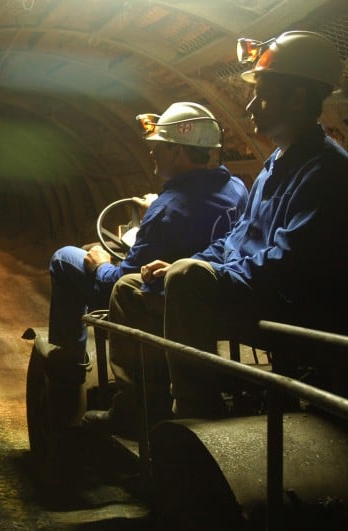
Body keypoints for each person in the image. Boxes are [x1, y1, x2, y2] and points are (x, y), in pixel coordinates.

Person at [93, 30, 348, 426]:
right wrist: (189, 262)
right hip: (253, 291)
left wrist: (206, 274)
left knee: (188, 277)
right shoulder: (274, 164)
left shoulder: (328, 171)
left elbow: (289, 263)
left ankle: (197, 412)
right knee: (132, 287)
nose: (249, 105)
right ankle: (140, 406)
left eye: (262, 94)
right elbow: (237, 237)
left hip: (291, 308)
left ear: (297, 97)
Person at [47, 102, 249, 384]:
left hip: (163, 301)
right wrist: (155, 211)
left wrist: (102, 266)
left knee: (66, 257)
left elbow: (120, 281)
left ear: (178, 151)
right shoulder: (237, 189)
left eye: (159, 146)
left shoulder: (168, 209)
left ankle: (69, 364)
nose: (151, 151)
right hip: (220, 296)